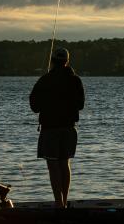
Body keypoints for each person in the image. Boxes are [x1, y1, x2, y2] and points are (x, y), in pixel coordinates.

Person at [29, 46, 85, 208]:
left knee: (53, 166)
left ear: (53, 61)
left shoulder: (45, 79)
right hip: (69, 128)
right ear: (67, 62)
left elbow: (34, 106)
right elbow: (80, 105)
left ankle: (58, 203)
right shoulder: (76, 80)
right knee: (64, 164)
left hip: (50, 129)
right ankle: (65, 200)